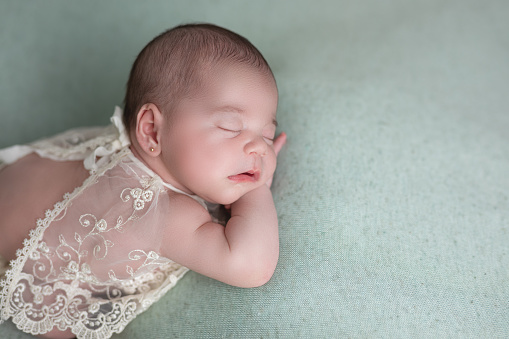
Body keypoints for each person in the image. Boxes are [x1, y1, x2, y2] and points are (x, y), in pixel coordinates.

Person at [0, 23, 286, 339]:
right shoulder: (166, 212)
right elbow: (250, 266)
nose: (259, 147)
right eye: (232, 127)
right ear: (150, 129)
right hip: (23, 256)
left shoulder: (131, 149)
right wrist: (255, 190)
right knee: (60, 325)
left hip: (16, 184)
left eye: (267, 134)